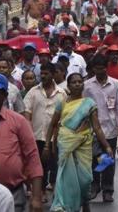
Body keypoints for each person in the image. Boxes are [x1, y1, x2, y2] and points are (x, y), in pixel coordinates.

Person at [44, 73, 114, 212]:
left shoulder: (89, 103)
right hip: (65, 145)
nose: (77, 84)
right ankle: (65, 206)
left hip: (83, 145)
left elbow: (97, 128)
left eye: (80, 82)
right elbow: (52, 125)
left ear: (83, 84)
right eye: (74, 82)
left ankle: (84, 200)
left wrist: (107, 146)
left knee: (85, 179)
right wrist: (47, 144)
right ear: (68, 86)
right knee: (66, 178)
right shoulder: (62, 103)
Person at [0, 73, 43, 211]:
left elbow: (33, 157)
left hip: (12, 193)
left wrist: (36, 197)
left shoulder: (18, 121)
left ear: (4, 95)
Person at [83, 54, 118, 202]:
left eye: (101, 68)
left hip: (110, 128)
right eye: (96, 69)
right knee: (94, 159)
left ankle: (108, 189)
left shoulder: (115, 84)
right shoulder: (87, 85)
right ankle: (95, 185)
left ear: (106, 68)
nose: (99, 71)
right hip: (92, 129)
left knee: (108, 160)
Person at [22, 62, 67, 201]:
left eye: (46, 73)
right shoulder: (33, 91)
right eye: (41, 73)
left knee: (54, 165)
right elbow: (27, 112)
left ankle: (55, 191)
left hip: (55, 137)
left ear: (53, 75)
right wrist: (28, 130)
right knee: (39, 165)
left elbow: (65, 114)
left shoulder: (62, 93)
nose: (43, 76)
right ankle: (40, 192)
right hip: (36, 135)